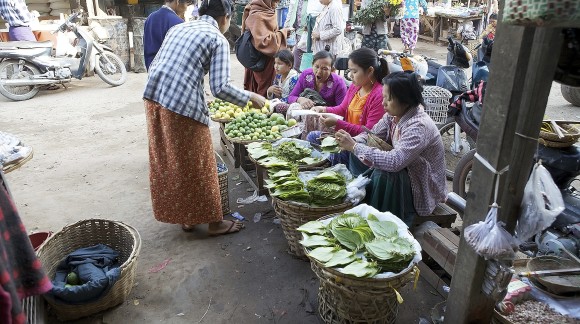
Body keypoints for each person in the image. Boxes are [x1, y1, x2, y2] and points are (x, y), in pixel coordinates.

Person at [143, 0, 266, 235]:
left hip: (153, 99)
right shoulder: (216, 37)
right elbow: (220, 88)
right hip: (179, 104)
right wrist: (251, 97)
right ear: (225, 18)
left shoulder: (179, 27)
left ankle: (187, 217)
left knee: (173, 162)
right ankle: (214, 222)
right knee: (201, 164)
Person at [334, 71, 446, 226]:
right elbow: (371, 135)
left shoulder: (419, 126)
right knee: (356, 152)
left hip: (421, 184)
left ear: (405, 101)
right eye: (384, 97)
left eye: (389, 98)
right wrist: (352, 142)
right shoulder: (393, 116)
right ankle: (365, 196)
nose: (383, 103)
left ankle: (382, 220)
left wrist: (354, 146)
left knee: (384, 173)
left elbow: (395, 162)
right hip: (406, 172)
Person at [306, 47, 389, 165]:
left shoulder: (379, 95)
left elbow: (369, 133)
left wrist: (337, 123)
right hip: (346, 137)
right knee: (312, 137)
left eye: (354, 72)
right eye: (350, 71)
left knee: (335, 152)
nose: (350, 75)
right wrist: (323, 109)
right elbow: (342, 109)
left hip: (359, 145)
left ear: (370, 71)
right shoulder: (355, 87)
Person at [242, 0, 293, 97]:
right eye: (274, 1)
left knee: (267, 90)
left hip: (267, 61)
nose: (276, 5)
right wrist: (283, 33)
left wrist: (280, 33)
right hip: (260, 61)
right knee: (261, 90)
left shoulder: (268, 11)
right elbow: (263, 42)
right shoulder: (257, 15)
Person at [143, 0, 189, 71]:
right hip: (169, 71)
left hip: (150, 68)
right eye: (186, 3)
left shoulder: (150, 17)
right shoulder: (178, 23)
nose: (186, 8)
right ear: (177, 2)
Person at [267, 50, 299, 114]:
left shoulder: (294, 78)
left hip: (291, 106)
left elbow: (292, 98)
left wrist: (276, 102)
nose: (276, 66)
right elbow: (274, 94)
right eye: (275, 63)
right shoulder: (278, 76)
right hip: (279, 103)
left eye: (279, 63)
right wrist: (270, 91)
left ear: (289, 65)